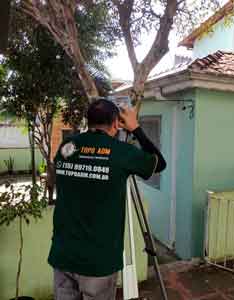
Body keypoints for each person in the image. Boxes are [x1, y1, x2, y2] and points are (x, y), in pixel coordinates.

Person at [48, 98, 167, 300]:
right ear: (115, 123)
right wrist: (136, 128)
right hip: (98, 261)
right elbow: (160, 163)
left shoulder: (67, 147)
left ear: (89, 121)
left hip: (63, 254)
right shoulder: (121, 152)